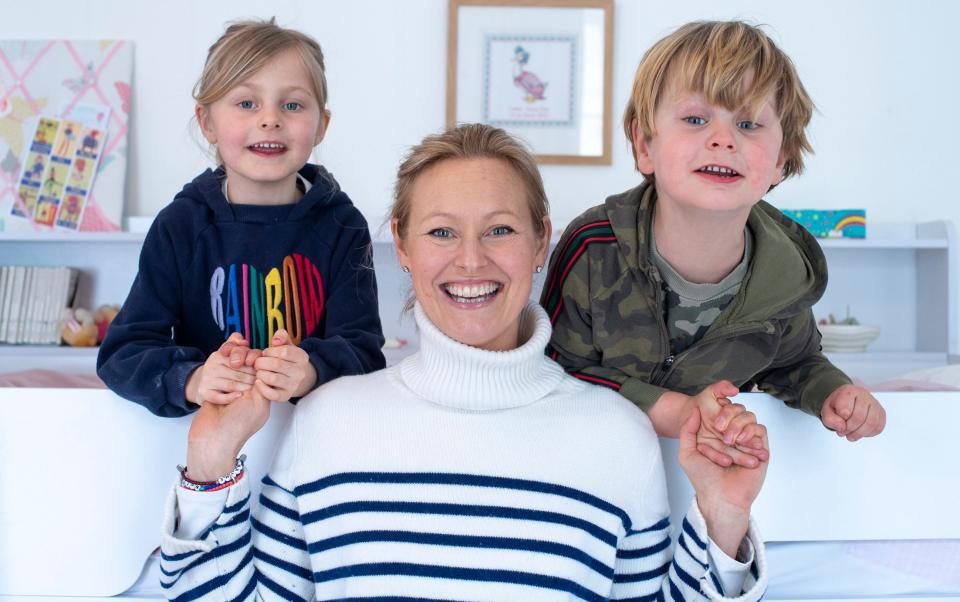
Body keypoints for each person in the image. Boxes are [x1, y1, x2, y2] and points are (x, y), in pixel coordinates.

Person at [159, 123, 770, 601]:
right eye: (442, 233)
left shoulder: (616, 433)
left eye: (500, 230)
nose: (471, 261)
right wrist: (209, 468)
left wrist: (722, 520)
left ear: (540, 242)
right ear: (401, 244)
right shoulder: (328, 419)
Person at [542, 20, 885, 450]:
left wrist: (833, 392)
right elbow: (552, 371)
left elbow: (794, 362)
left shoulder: (783, 274)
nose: (723, 139)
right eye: (695, 118)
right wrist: (666, 408)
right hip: (597, 458)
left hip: (714, 467)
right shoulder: (594, 247)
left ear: (782, 159)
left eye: (748, 125)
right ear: (645, 145)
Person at [97, 19, 385, 417]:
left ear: (321, 126)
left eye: (292, 105)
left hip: (308, 438)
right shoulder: (180, 225)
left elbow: (364, 351)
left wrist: (311, 371)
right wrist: (194, 379)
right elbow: (124, 353)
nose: (270, 119)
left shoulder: (342, 226)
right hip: (202, 433)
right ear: (207, 122)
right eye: (247, 103)